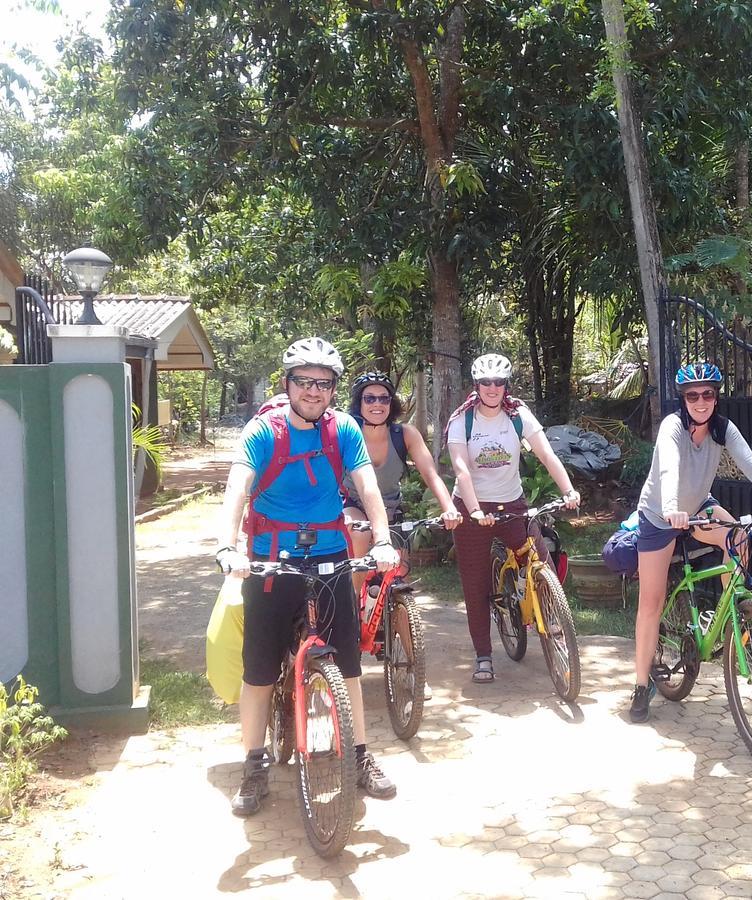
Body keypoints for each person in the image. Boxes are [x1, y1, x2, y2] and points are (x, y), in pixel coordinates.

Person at [215, 337, 401, 816]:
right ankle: (253, 766)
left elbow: (367, 487)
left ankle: (358, 757)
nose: (314, 391)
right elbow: (237, 489)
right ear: (288, 384)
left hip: (331, 558)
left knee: (350, 667)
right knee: (258, 672)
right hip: (270, 564)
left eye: (324, 384)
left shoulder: (343, 431)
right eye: (305, 382)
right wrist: (228, 547)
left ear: (333, 390)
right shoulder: (263, 432)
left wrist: (381, 540)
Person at [628, 362, 752, 724]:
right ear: (684, 399)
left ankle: (731, 615)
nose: (701, 401)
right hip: (661, 516)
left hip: (698, 507)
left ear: (716, 397)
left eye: (708, 394)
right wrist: (673, 509)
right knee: (651, 603)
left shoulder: (723, 429)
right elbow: (668, 469)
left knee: (738, 536)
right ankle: (642, 685)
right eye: (693, 395)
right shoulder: (672, 428)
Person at [444, 353, 580, 683]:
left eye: (499, 382)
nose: (493, 388)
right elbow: (461, 470)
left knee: (542, 563)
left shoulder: (518, 414)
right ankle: (483, 655)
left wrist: (569, 490)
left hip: (512, 504)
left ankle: (555, 629)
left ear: (507, 385)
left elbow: (546, 454)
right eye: (486, 382)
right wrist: (475, 511)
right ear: (477, 385)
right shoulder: (462, 420)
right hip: (471, 508)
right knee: (475, 584)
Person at [342, 371, 461, 597]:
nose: (377, 404)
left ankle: (402, 625)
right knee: (359, 535)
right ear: (359, 403)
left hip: (391, 509)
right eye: (369, 398)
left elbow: (431, 475)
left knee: (400, 579)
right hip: (354, 505)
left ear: (391, 403)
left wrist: (449, 509)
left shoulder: (405, 434)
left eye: (383, 398)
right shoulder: (348, 434)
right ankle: (351, 606)